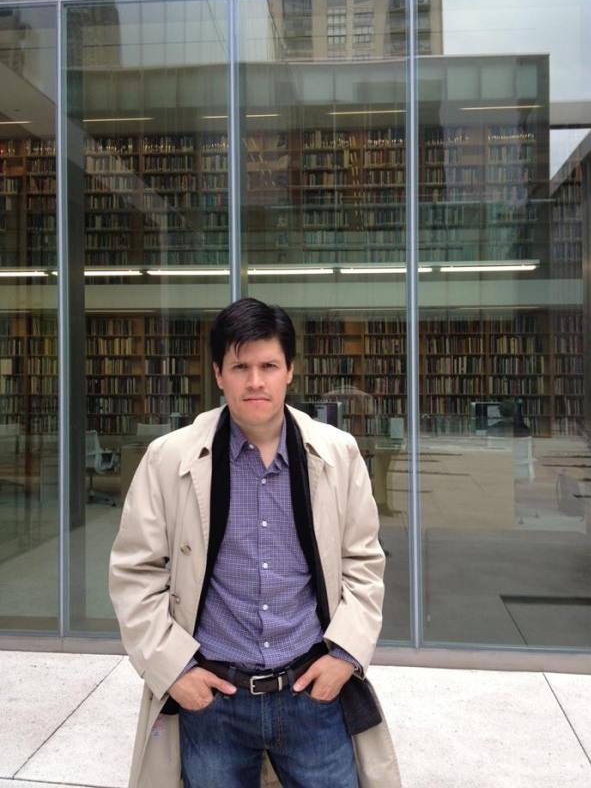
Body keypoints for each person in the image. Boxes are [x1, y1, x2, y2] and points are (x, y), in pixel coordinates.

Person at [109, 297, 400, 788]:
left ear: (291, 371)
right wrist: (173, 670)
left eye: (268, 366)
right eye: (240, 367)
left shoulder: (338, 453)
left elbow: (364, 563)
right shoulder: (168, 458)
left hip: (313, 693)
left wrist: (345, 657)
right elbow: (135, 573)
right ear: (218, 375)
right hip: (213, 700)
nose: (255, 381)